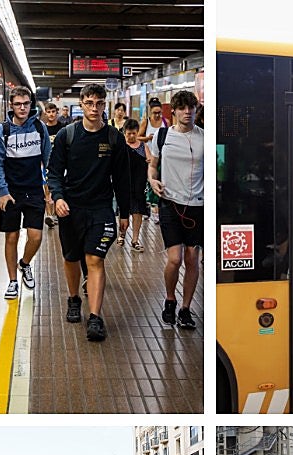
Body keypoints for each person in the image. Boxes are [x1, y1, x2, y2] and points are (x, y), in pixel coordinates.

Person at [48, 83, 131, 341]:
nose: (94, 108)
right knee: (72, 258)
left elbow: (122, 179)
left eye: (99, 103)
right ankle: (74, 299)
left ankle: (95, 317)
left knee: (95, 259)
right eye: (89, 103)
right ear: (82, 104)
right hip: (71, 208)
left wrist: (124, 214)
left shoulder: (113, 138)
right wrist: (58, 198)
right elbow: (53, 173)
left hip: (101, 209)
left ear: (104, 105)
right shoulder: (67, 135)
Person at [147, 89, 205, 330]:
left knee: (193, 260)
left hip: (198, 206)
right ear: (175, 111)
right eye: (182, 108)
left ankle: (185, 308)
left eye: (191, 108)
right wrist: (152, 180)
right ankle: (170, 298)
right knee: (175, 258)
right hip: (170, 204)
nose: (187, 112)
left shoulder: (206, 138)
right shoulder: (162, 136)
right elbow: (153, 167)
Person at [0, 86, 52, 300]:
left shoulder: (39, 128)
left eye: (26, 103)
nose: (22, 107)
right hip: (12, 192)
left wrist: (50, 188)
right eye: (18, 104)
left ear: (31, 104)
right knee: (12, 237)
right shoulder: (2, 131)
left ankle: (24, 264)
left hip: (34, 191)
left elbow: (48, 159)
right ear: (11, 106)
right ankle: (13, 281)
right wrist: (3, 192)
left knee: (36, 236)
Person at [121, 118, 148, 251]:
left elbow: (150, 163)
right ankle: (122, 234)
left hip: (139, 186)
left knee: (138, 212)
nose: (131, 136)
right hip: (123, 185)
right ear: (124, 133)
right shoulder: (120, 147)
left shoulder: (143, 147)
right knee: (122, 211)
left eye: (134, 133)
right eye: (128, 133)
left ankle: (135, 239)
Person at [40, 102, 62, 228]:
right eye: (49, 112)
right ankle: (49, 216)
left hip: (60, 164)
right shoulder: (43, 129)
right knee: (47, 190)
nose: (51, 114)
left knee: (58, 189)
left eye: (53, 111)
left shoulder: (63, 128)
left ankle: (57, 213)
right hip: (46, 164)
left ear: (56, 112)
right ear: (46, 113)